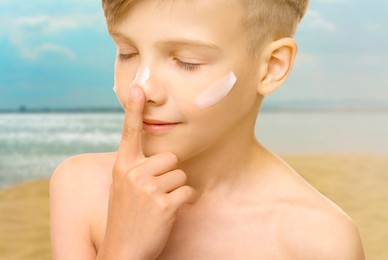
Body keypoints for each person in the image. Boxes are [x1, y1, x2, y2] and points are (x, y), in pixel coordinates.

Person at [50, 0, 365, 259]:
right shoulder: (81, 187)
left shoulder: (319, 241)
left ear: (271, 67)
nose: (142, 89)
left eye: (187, 61)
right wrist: (122, 249)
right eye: (127, 53)